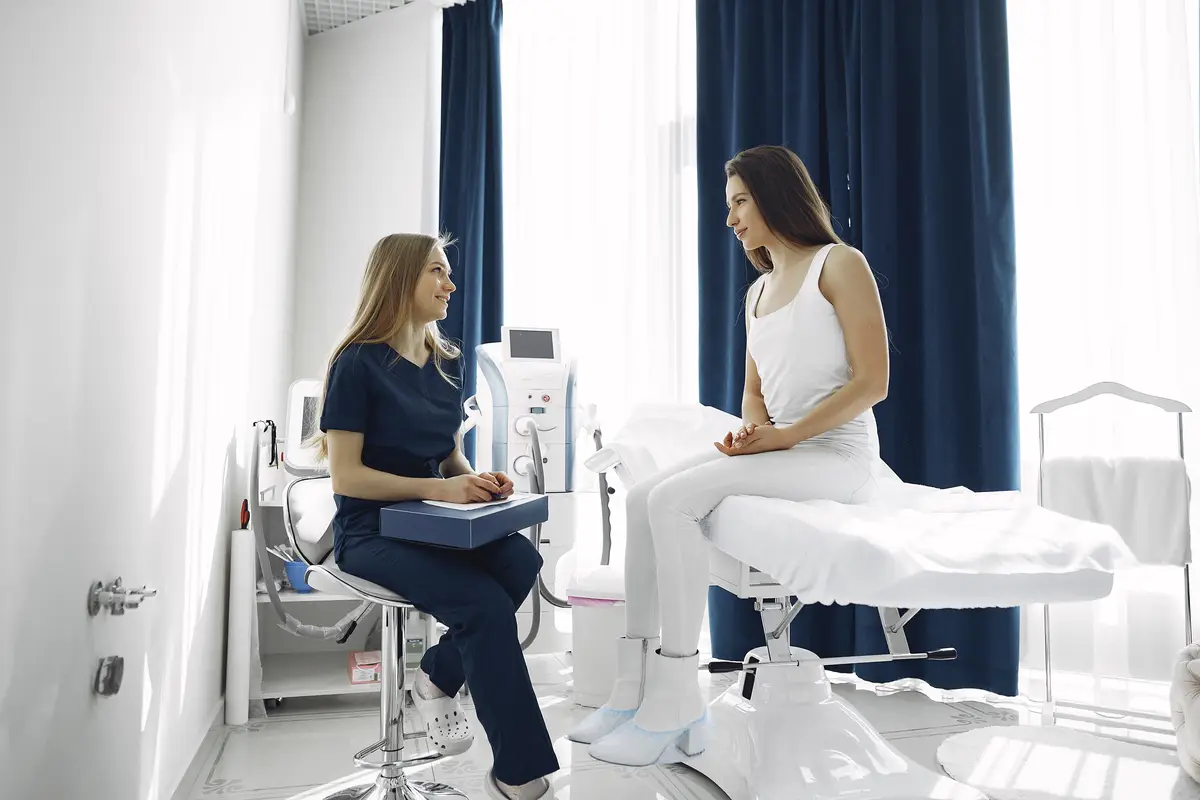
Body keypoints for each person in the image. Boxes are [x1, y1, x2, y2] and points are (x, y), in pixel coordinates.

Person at [568, 145, 891, 767]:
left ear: (776, 196)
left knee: (671, 503)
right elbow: (752, 393)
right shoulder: (759, 292)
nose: (731, 217)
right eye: (729, 205)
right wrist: (754, 432)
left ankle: (678, 698)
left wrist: (784, 438)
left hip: (839, 456)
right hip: (788, 447)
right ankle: (632, 687)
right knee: (642, 497)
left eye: (739, 201)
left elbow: (872, 382)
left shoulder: (839, 265)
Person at [313, 233, 559, 800]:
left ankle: (438, 675)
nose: (450, 285)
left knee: (521, 559)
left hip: (434, 520)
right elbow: (346, 477)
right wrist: (442, 488)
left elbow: (448, 455)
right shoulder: (356, 365)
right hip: (370, 530)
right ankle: (519, 773)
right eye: (436, 272)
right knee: (482, 606)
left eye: (448, 274)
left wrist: (476, 481)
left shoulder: (443, 361)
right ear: (399, 279)